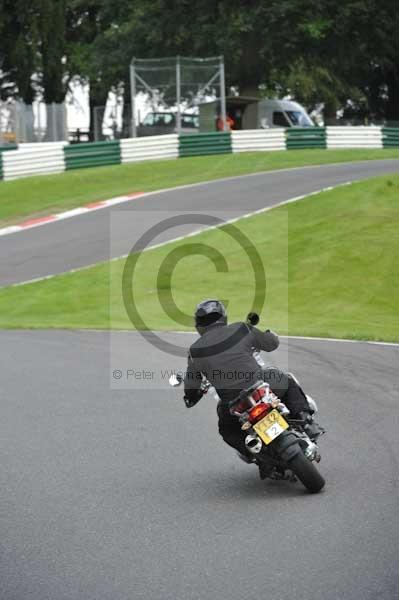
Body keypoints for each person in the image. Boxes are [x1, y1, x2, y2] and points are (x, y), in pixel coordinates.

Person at [183, 299, 322, 474]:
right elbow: (270, 343)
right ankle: (306, 420)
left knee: (226, 429)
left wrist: (190, 397)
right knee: (286, 380)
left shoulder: (195, 351)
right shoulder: (241, 329)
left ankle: (258, 457)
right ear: (222, 317)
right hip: (260, 383)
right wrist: (271, 335)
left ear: (199, 325)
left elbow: (191, 384)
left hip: (231, 400)